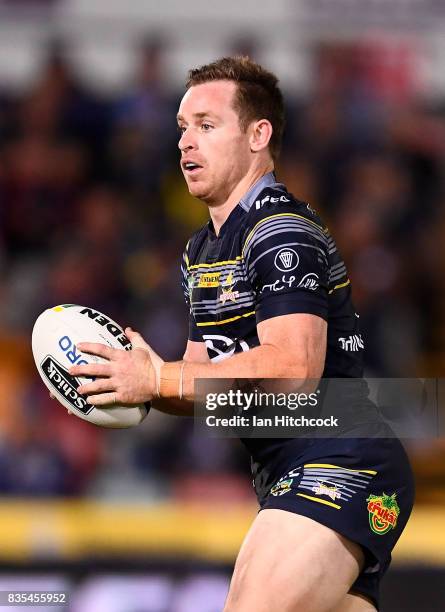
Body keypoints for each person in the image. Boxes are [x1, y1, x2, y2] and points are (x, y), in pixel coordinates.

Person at [69, 56, 415, 612]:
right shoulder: (201, 250)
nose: (186, 142)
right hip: (288, 472)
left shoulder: (281, 233)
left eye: (207, 126)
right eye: (182, 127)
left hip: (339, 462)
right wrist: (133, 383)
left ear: (259, 135)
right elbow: (205, 389)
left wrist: (162, 375)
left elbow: (293, 372)